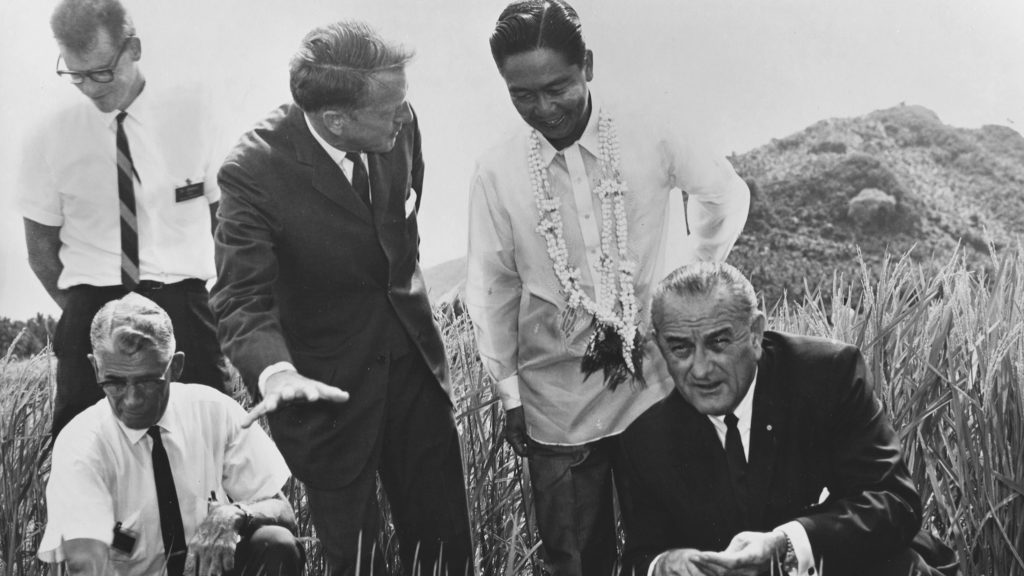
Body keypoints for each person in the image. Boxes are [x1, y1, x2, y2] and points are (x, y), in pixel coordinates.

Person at [465, 1, 750, 574]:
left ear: (587, 66)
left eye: (558, 87)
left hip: (656, 384)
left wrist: (689, 280)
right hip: (557, 399)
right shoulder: (497, 170)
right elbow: (491, 287)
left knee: (686, 543)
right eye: (522, 95)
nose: (544, 109)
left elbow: (723, 194)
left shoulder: (649, 127)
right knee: (574, 555)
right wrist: (511, 395)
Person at [210, 20, 474, 576]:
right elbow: (240, 297)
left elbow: (403, 227)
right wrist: (277, 373)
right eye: (391, 110)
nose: (404, 117)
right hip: (327, 393)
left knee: (446, 551)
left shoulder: (399, 123)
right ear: (336, 119)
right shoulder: (250, 172)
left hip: (414, 373)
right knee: (359, 562)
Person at [614, 262, 958, 576]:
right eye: (681, 349)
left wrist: (788, 545)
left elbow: (894, 502)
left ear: (755, 334)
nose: (701, 369)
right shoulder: (643, 441)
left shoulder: (828, 374)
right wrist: (665, 565)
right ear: (660, 348)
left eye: (718, 343)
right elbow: (641, 557)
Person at [17, 0, 229, 437]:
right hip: (92, 312)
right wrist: (96, 313)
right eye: (76, 75)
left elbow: (225, 223)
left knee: (210, 440)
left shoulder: (194, 114)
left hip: (185, 307)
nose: (91, 89)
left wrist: (215, 305)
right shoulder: (49, 134)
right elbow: (40, 250)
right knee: (84, 450)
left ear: (132, 48)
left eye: (101, 72)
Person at [37, 293, 303, 576]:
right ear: (95, 367)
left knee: (276, 543)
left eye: (148, 381)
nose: (132, 400)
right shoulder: (80, 443)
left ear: (175, 367)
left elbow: (284, 514)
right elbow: (84, 565)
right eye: (114, 382)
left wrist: (234, 514)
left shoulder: (214, 410)